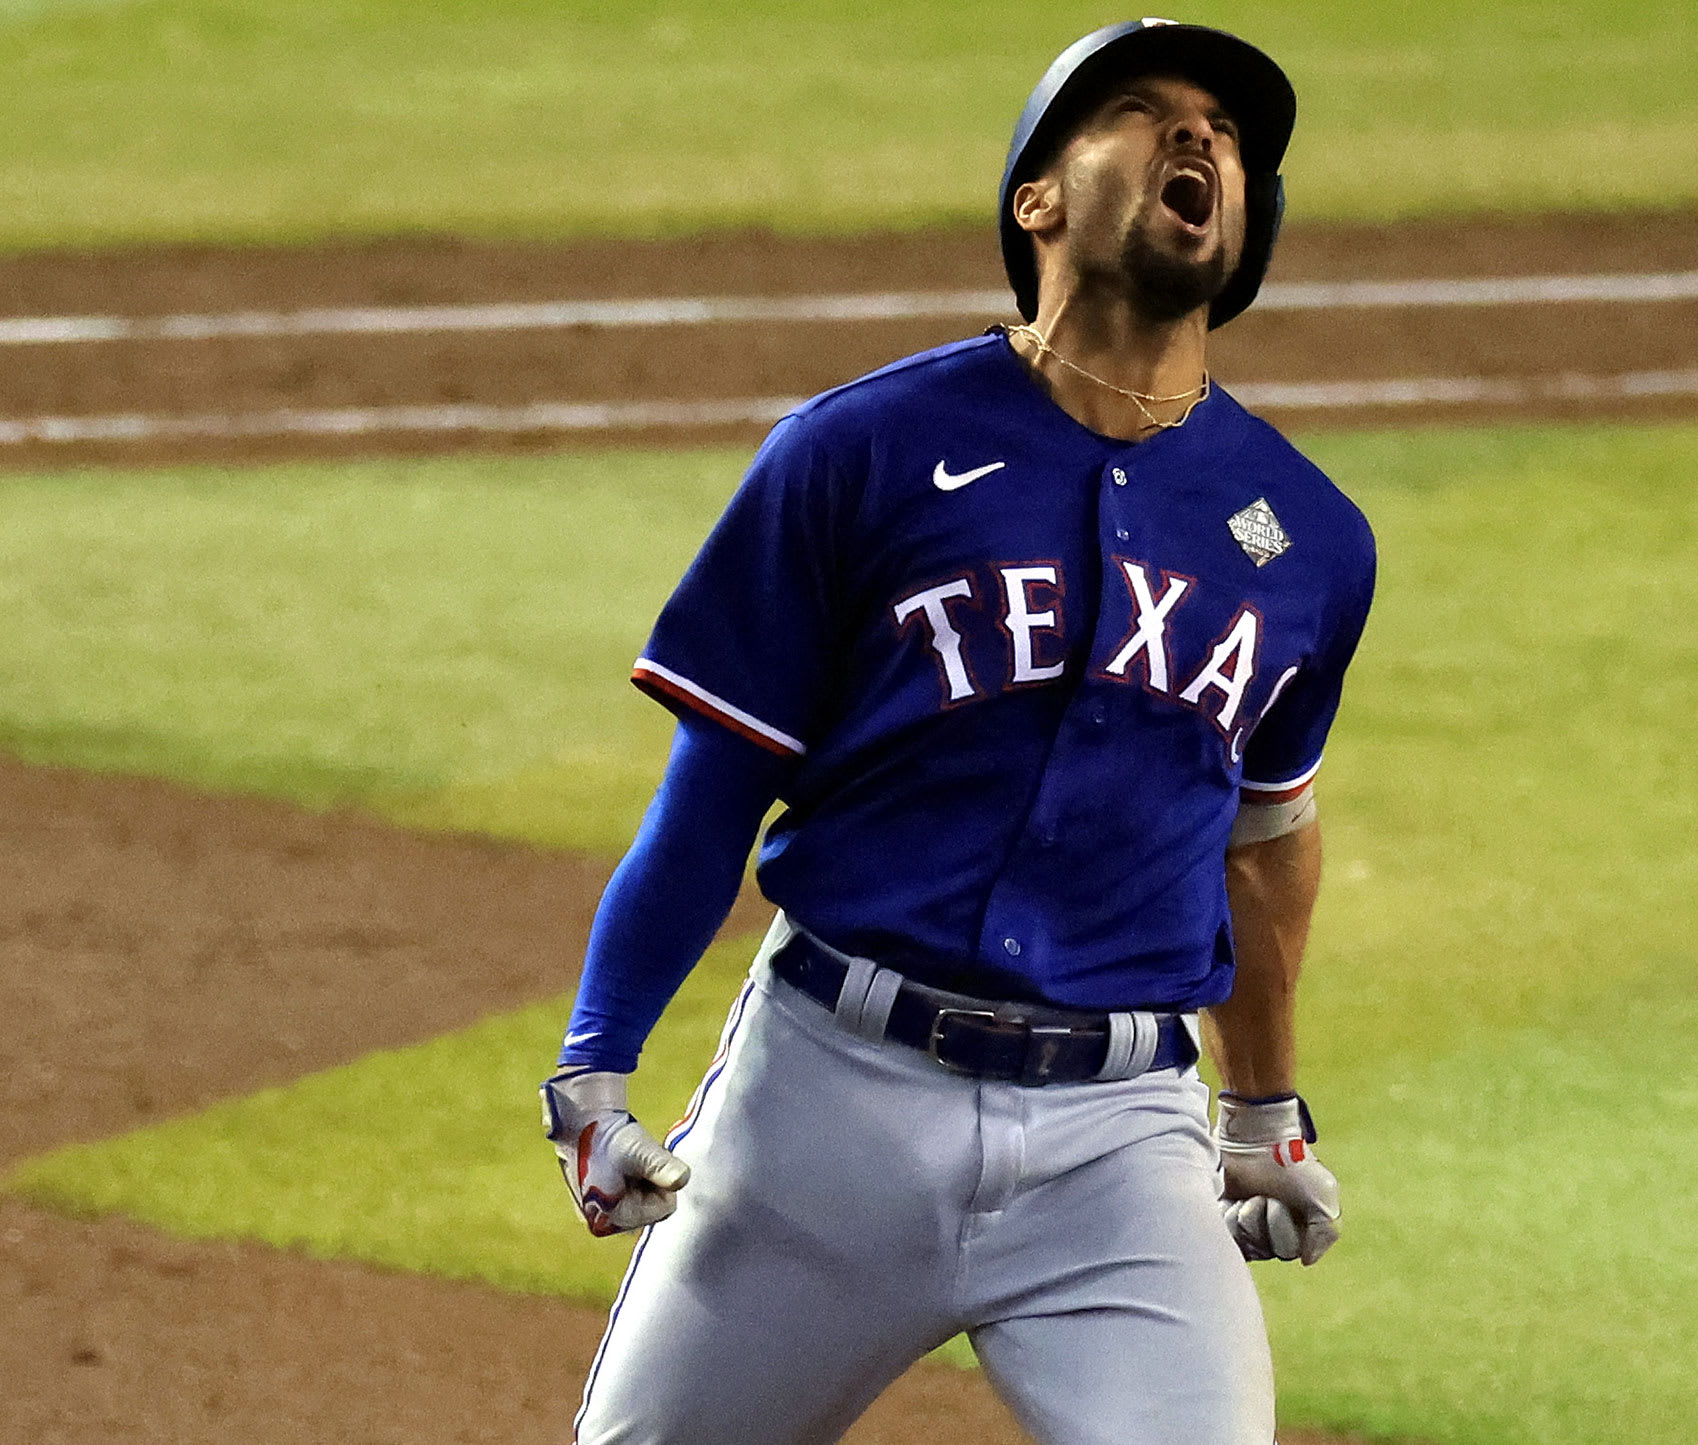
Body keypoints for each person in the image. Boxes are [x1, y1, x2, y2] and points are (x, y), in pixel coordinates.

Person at [541, 20, 1376, 1444]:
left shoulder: (1305, 536)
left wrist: (1265, 1108)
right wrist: (596, 1062)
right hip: (828, 1107)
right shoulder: (855, 451)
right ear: (1035, 199)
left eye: (1226, 137)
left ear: (1245, 237)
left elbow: (1264, 838)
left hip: (1120, 1147)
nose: (1197, 141)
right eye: (1139, 112)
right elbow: (716, 788)